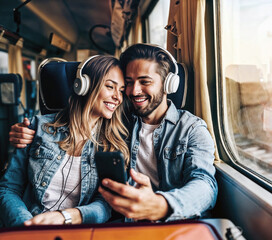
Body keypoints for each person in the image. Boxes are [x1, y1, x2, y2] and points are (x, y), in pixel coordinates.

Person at [9, 43, 218, 222]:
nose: (133, 91)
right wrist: (24, 131)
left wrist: (161, 205)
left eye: (145, 82)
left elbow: (205, 185)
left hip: (175, 221)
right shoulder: (119, 123)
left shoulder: (191, 129)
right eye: (128, 83)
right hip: (124, 224)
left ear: (169, 84)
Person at [1, 55, 129, 227]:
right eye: (110, 87)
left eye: (121, 90)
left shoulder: (113, 146)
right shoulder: (36, 127)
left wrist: (67, 217)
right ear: (84, 86)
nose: (117, 97)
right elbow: (9, 188)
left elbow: (106, 205)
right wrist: (27, 226)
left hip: (77, 230)